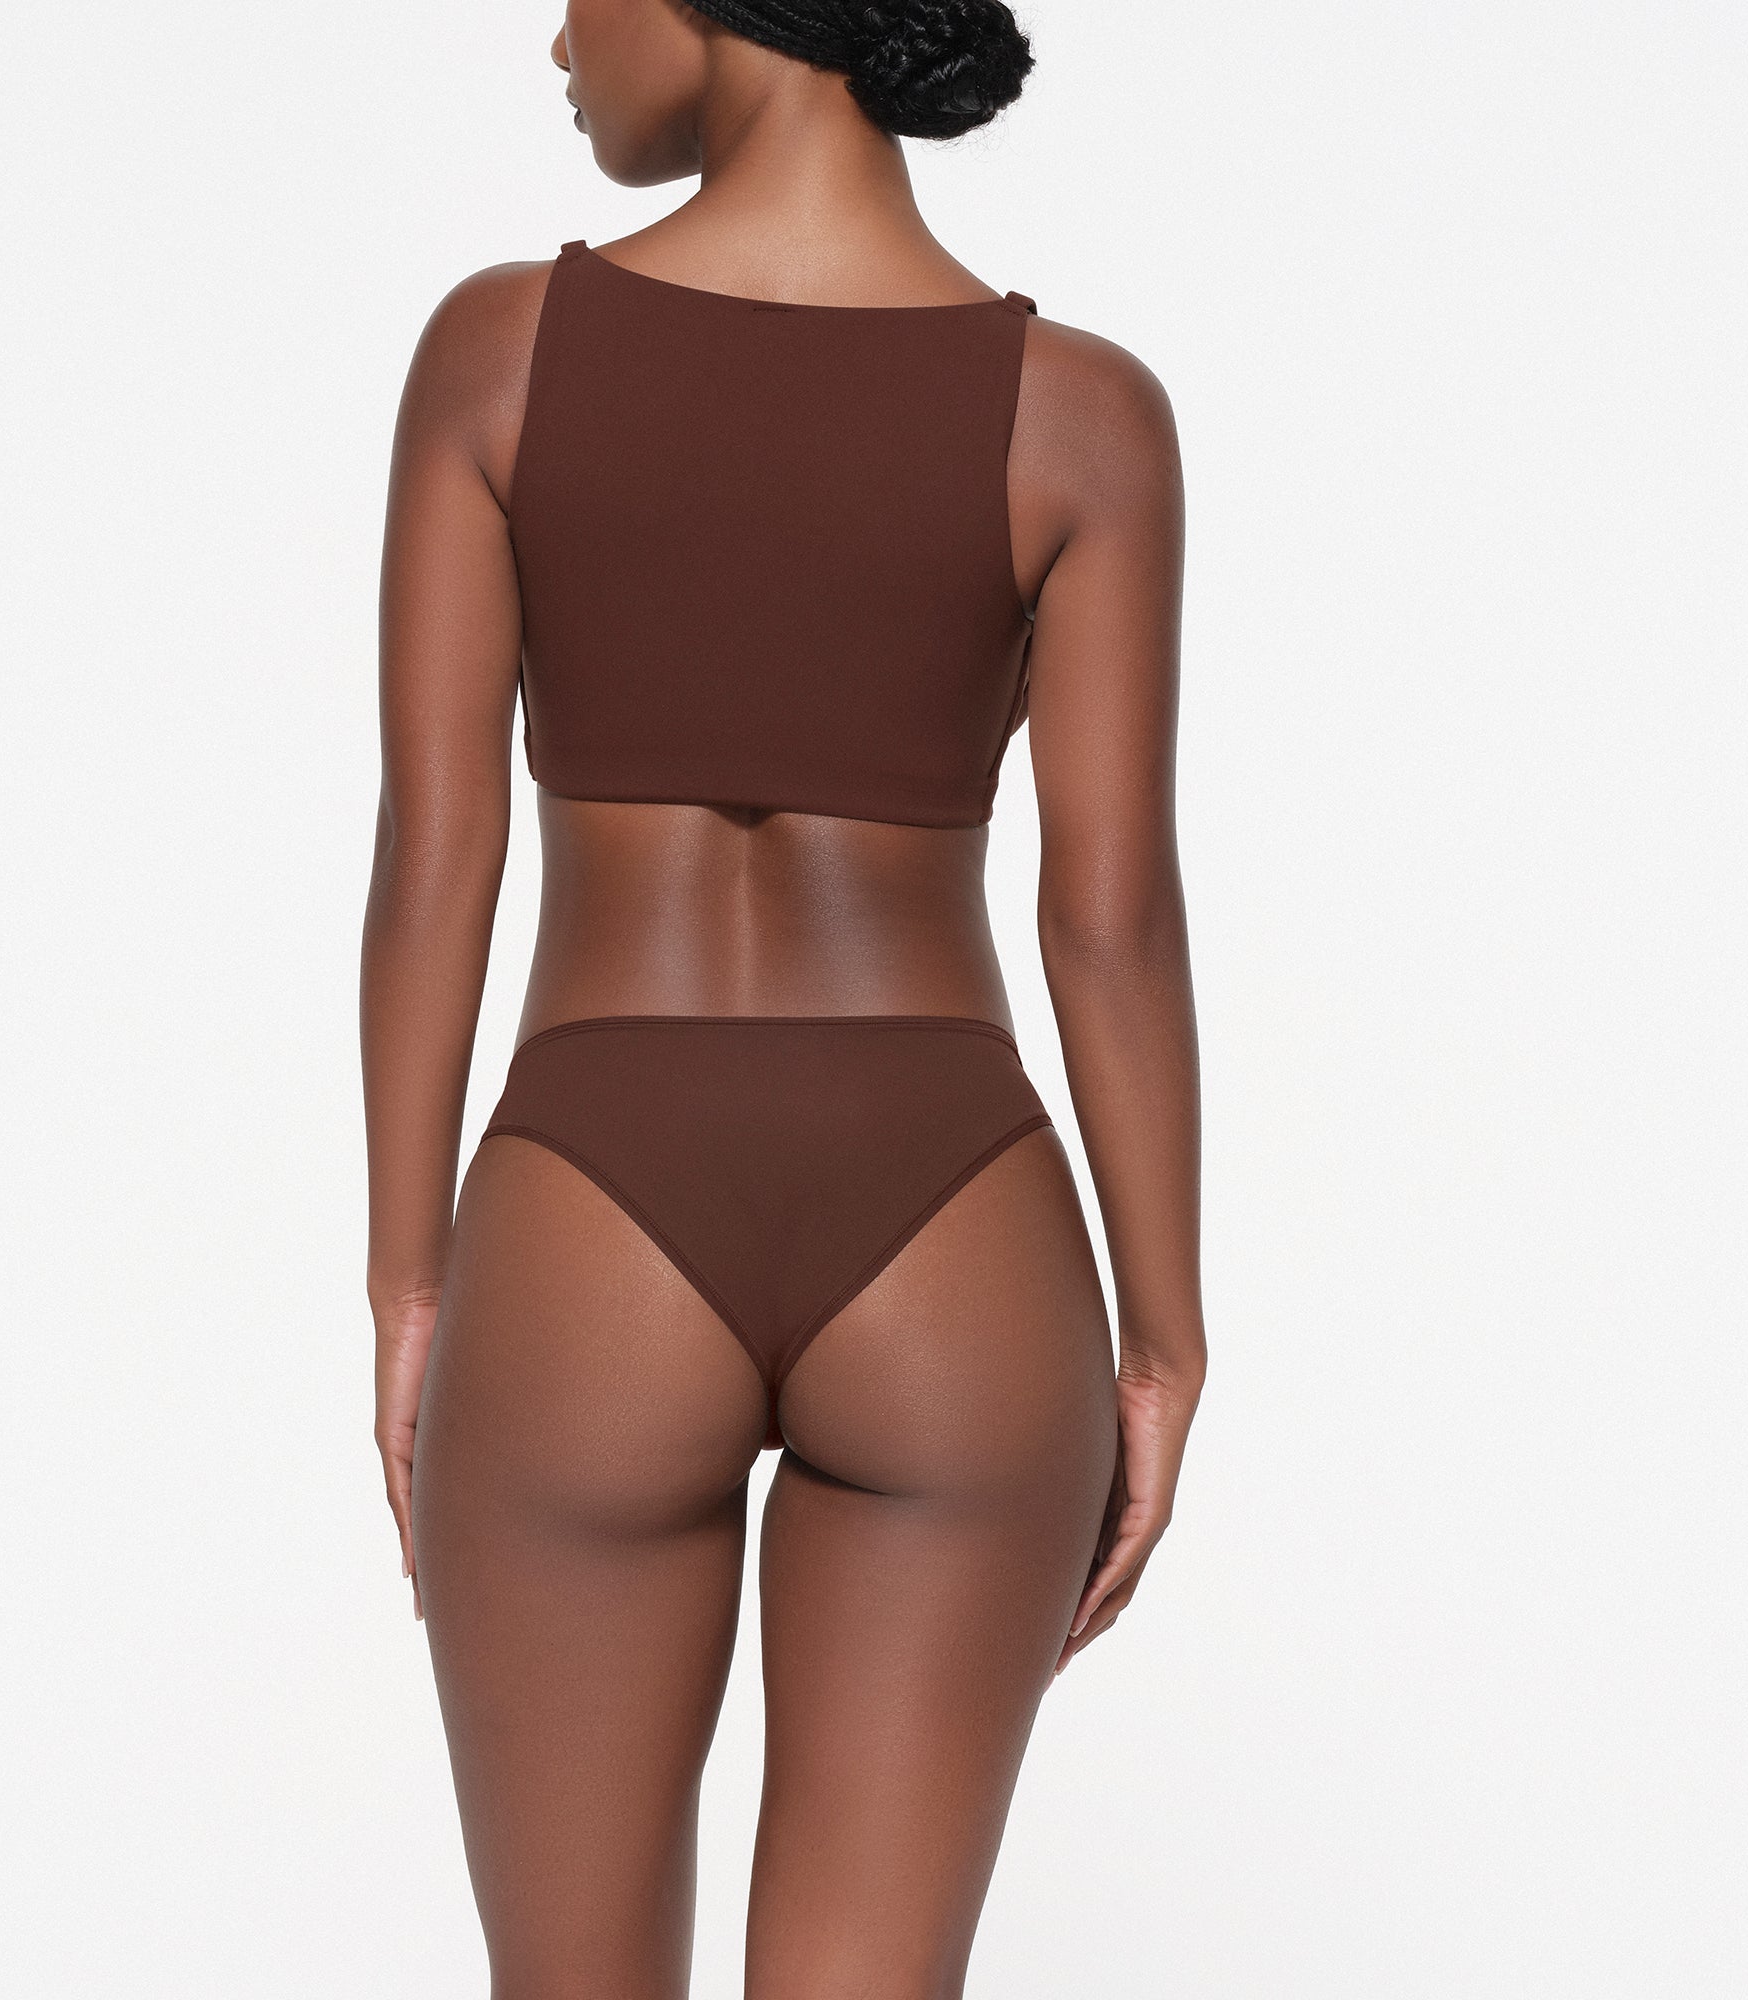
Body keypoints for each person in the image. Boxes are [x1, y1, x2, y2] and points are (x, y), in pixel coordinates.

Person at [359, 2, 1206, 1991]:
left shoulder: (499, 353)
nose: (556, 37)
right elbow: (1111, 922)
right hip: (953, 1214)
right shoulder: (1084, 416)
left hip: (589, 1195)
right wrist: (1160, 1342)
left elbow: (434, 860)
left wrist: (409, 1281)